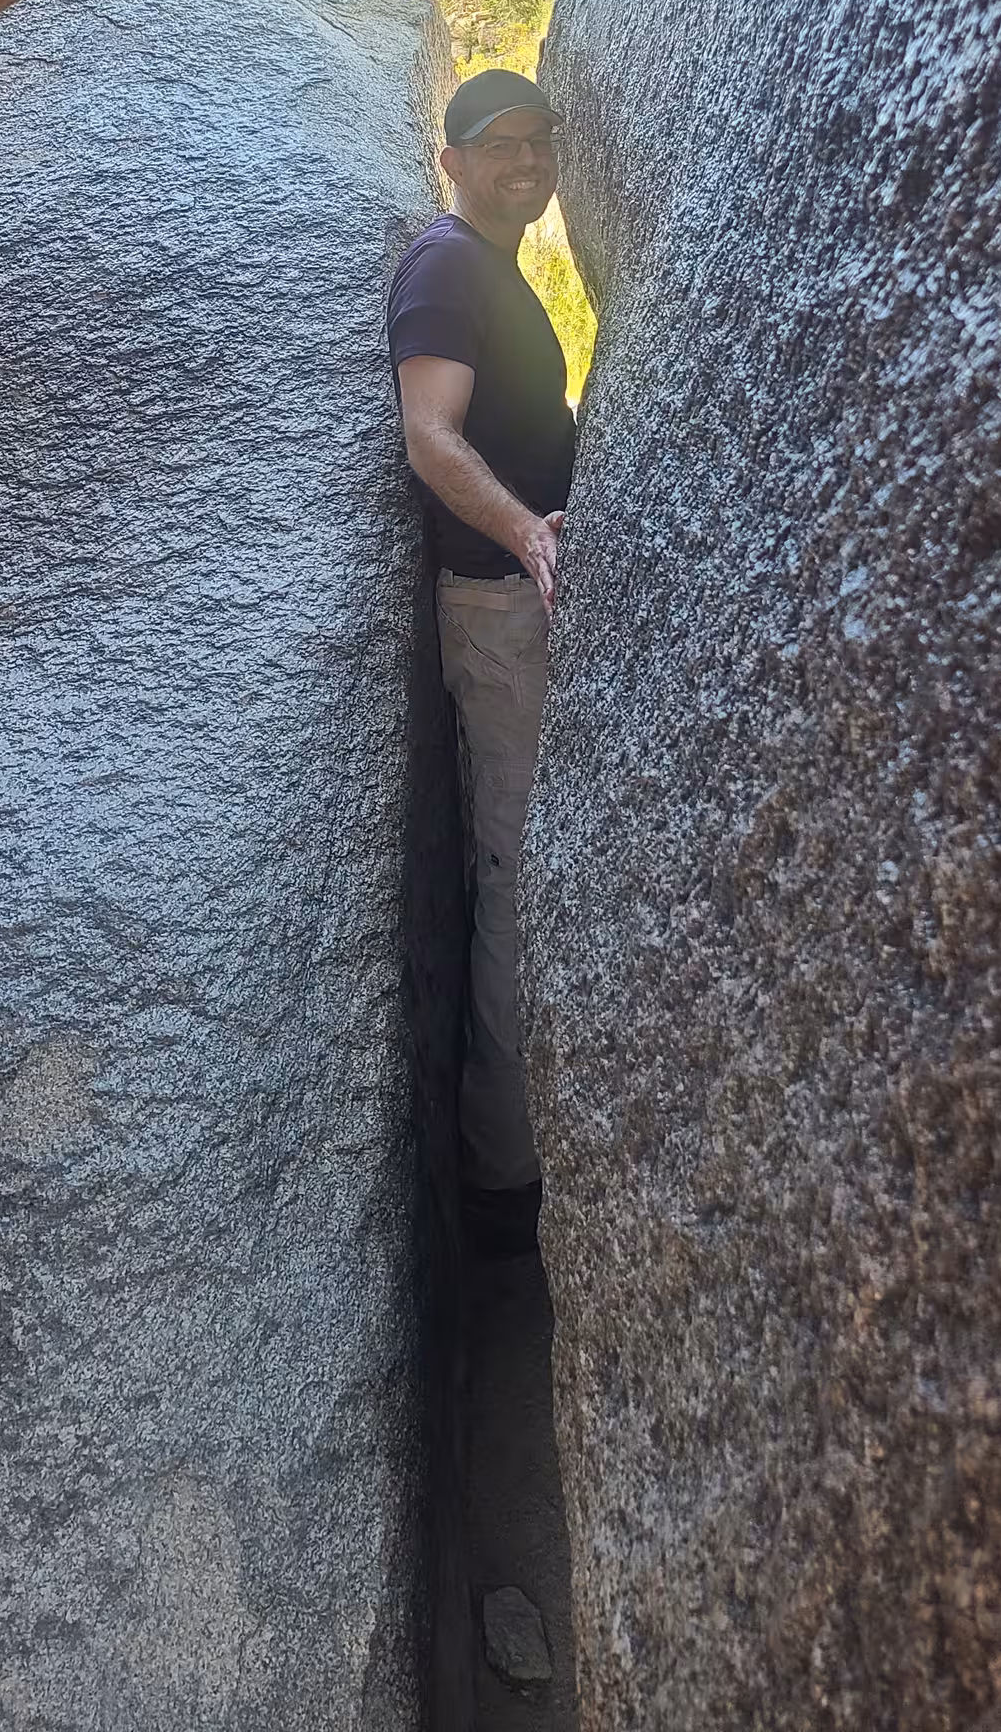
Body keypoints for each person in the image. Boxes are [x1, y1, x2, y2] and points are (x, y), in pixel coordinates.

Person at [386, 68, 576, 1251]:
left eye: (540, 141)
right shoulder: (448, 267)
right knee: (517, 871)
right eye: (500, 144)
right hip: (499, 610)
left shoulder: (492, 267)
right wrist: (523, 531)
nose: (526, 162)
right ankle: (505, 1173)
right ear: (451, 160)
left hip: (522, 601)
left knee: (536, 866)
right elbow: (429, 434)